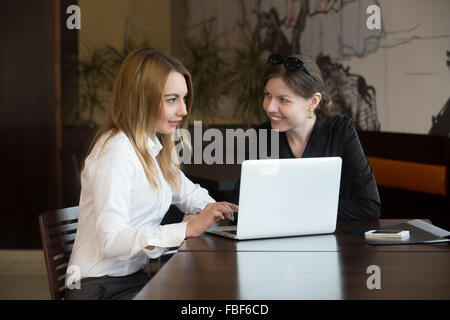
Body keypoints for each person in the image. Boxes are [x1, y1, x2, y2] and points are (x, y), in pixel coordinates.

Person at [65, 48, 238, 300]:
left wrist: (215, 210)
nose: (183, 110)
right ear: (140, 98)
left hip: (132, 279)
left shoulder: (153, 148)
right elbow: (112, 241)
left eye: (184, 98)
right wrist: (184, 230)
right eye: (171, 99)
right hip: (97, 288)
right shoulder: (116, 152)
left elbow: (191, 194)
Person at [232, 53, 380, 220]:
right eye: (267, 95)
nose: (269, 107)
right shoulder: (263, 136)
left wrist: (292, 210)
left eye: (283, 99)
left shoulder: (341, 132)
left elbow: (369, 205)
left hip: (335, 242)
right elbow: (241, 208)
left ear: (313, 102)